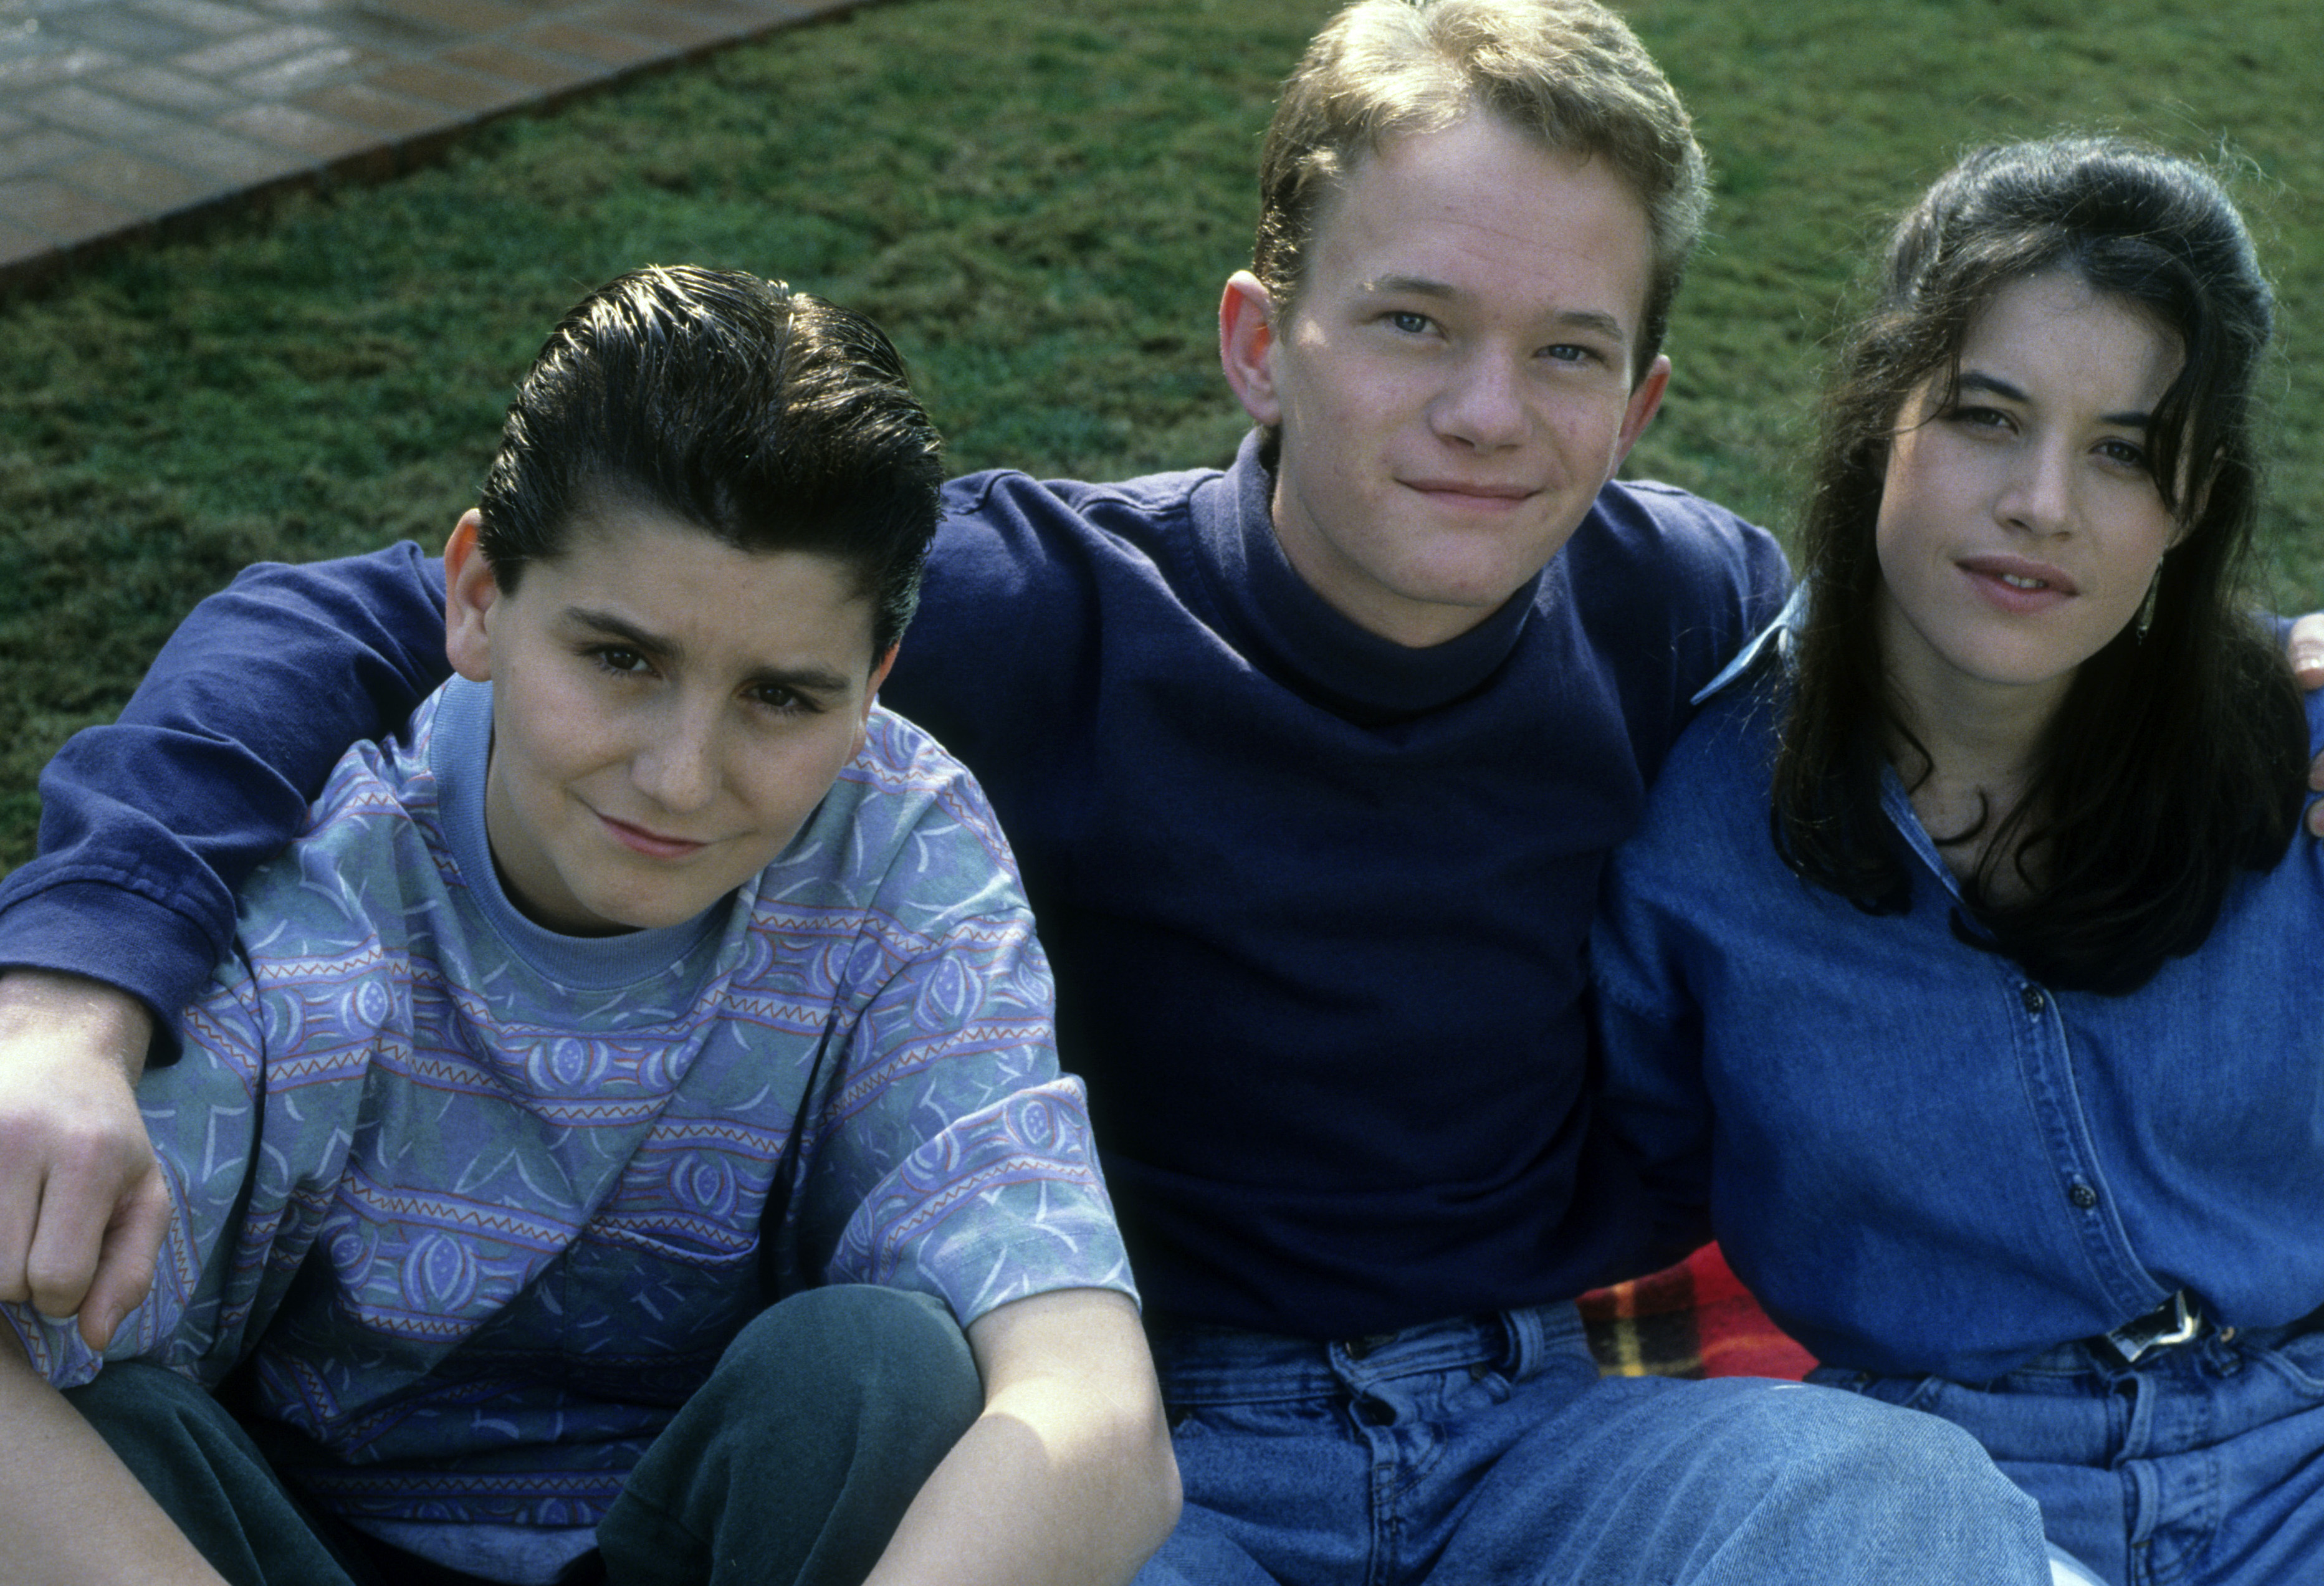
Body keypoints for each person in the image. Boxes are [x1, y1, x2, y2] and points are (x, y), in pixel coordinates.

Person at [0, 4, 2167, 1583]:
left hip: (1543, 1413)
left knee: (1900, 1519)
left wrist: (2265, 690)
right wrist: (72, 998)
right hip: (1167, 1432)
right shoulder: (1028, 606)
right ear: (1259, 338)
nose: (1487, 414)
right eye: (1411, 323)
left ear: (1645, 395)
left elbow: (1986, 686)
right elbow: (370, 617)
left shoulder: (1687, 598)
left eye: (1568, 350)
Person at [0, 265, 1178, 1586]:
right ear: (479, 599)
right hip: (291, 1539)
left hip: (702, 1539)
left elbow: (1095, 1414)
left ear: (872, 687)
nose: (681, 776)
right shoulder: (315, 893)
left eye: (782, 697)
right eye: (620, 659)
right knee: (112, 1426)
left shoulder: (900, 845)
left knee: (882, 1370)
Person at [1590, 137, 2324, 1586]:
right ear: (1881, 415)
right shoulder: (1692, 825)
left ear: (2187, 507)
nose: (2040, 504)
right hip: (1942, 1490)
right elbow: (1617, 1183)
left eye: (2121, 450)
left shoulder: (2292, 762)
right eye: (1986, 417)